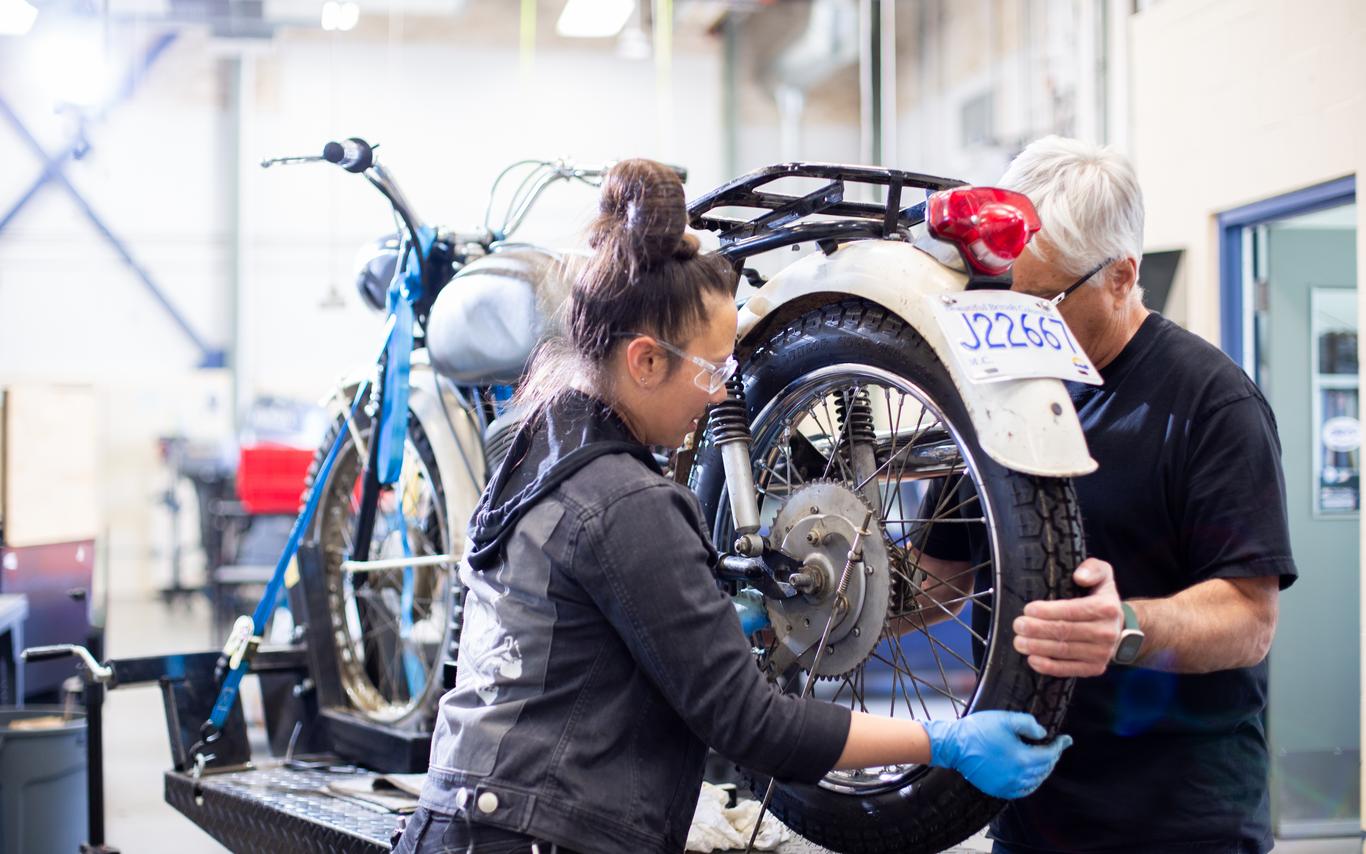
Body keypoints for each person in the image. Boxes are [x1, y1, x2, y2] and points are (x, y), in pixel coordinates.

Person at [395, 159, 1072, 854]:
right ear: (645, 362)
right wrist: (941, 741)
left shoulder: (541, 453)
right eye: (713, 370)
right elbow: (754, 726)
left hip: (478, 824)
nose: (721, 393)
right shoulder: (625, 503)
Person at [918, 136, 1297, 854]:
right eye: (1006, 294)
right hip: (1028, 812)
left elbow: (1251, 617)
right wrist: (833, 592)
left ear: (1122, 277)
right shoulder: (997, 391)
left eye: (1044, 300)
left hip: (1182, 823)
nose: (1019, 320)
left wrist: (1123, 628)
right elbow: (940, 579)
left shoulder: (1213, 403)